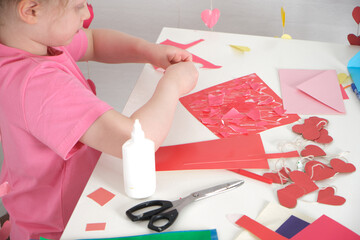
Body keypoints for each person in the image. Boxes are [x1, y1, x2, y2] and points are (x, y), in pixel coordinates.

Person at [0, 0, 198, 238]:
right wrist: (173, 84)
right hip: (63, 225)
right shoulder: (39, 84)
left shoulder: (24, 43)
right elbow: (136, 140)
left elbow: (92, 41)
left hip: (45, 203)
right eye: (78, 6)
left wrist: (149, 52)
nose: (86, 13)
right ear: (31, 11)